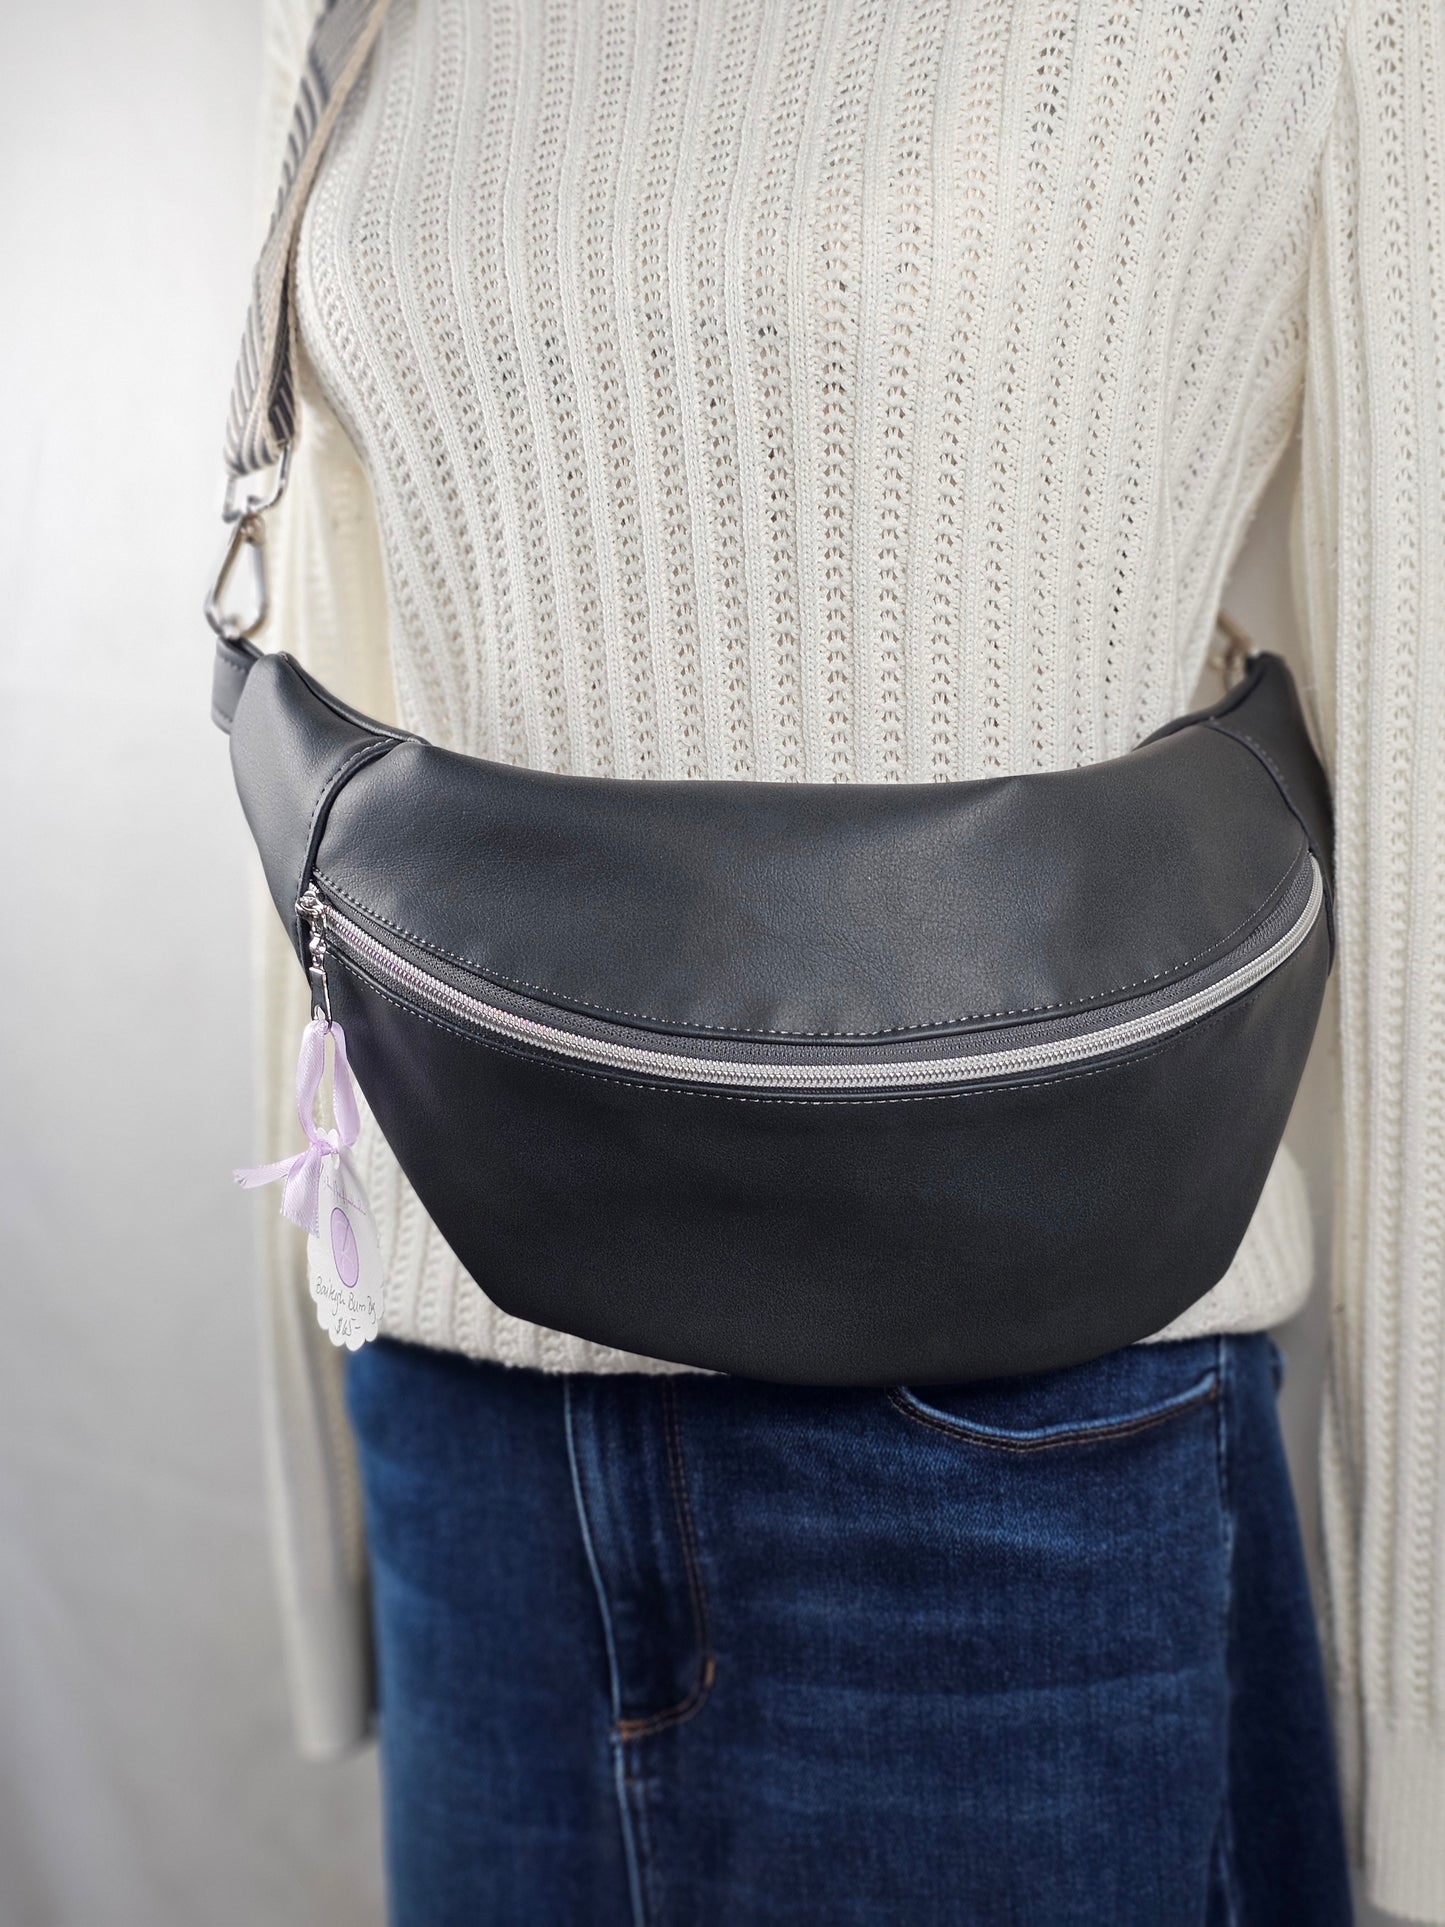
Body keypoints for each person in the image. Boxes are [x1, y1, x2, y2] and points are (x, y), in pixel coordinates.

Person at [242, 0, 1445, 1919]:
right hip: (465, 1438)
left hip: (1015, 1471)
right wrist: (319, 1531)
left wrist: (1426, 1718)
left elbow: (1417, 781)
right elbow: (347, 753)